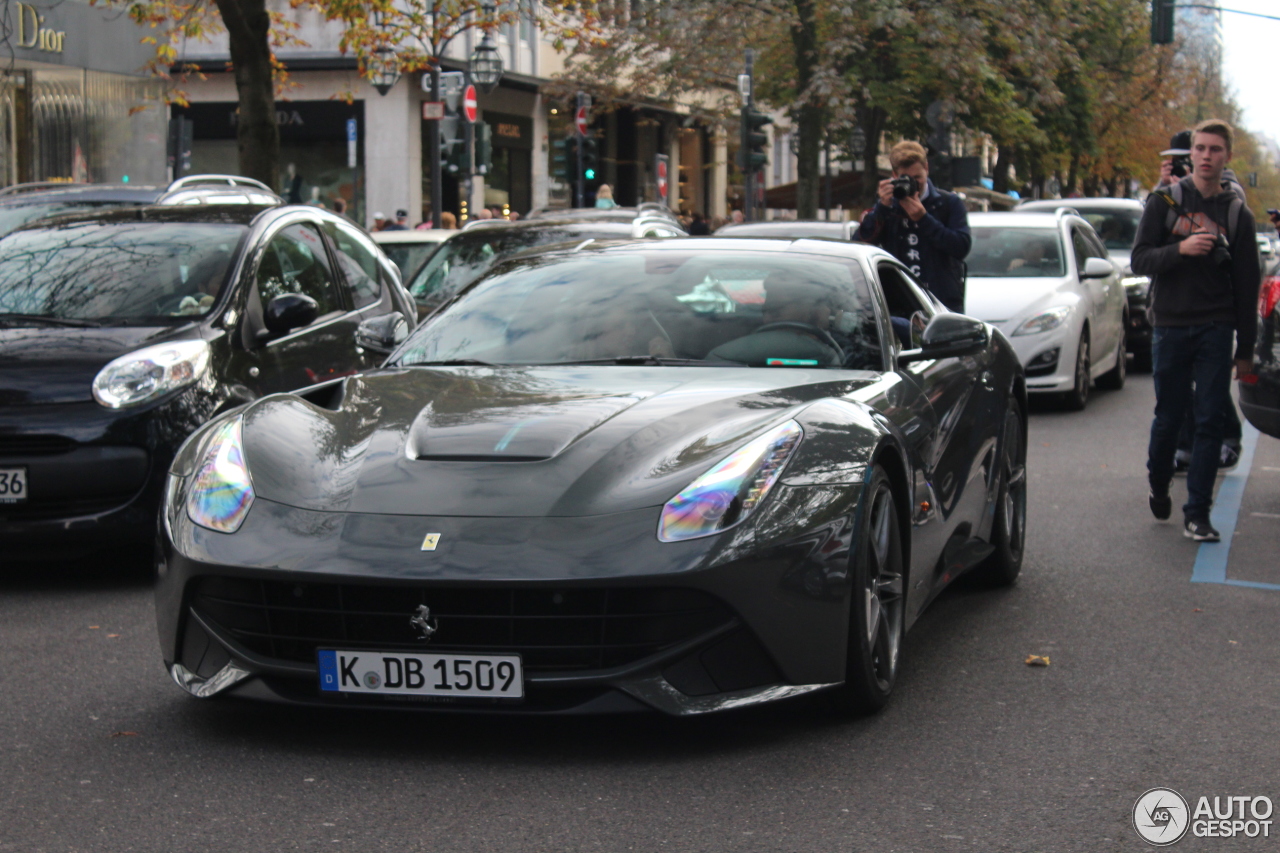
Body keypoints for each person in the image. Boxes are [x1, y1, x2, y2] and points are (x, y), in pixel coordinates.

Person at [1132, 119, 1260, 542]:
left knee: (1208, 420)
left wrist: (1246, 350)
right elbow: (1140, 260)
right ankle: (1158, 482)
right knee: (1168, 417)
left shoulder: (1237, 212)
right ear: (1191, 156)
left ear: (1227, 157)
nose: (1206, 157)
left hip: (1215, 326)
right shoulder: (1165, 202)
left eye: (1215, 150)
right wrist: (1180, 250)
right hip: (1170, 324)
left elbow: (1246, 284)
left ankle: (1198, 513)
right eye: (1200, 149)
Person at [855, 140, 971, 312]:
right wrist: (881, 209)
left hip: (941, 299)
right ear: (894, 175)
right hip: (898, 300)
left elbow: (961, 247)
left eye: (918, 178)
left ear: (927, 168)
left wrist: (924, 219)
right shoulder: (889, 206)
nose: (914, 185)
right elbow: (860, 245)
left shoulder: (948, 203)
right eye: (906, 179)